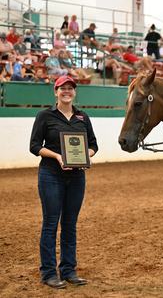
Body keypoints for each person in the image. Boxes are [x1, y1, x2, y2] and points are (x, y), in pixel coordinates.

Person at [29, 75, 98, 289]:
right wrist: (58, 157)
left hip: (77, 177)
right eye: (62, 88)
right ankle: (48, 273)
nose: (66, 91)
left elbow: (94, 145)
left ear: (74, 92)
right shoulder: (45, 116)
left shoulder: (82, 117)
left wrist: (86, 155)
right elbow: (34, 146)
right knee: (50, 223)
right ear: (55, 91)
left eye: (70, 88)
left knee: (70, 224)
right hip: (51, 175)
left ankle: (68, 270)